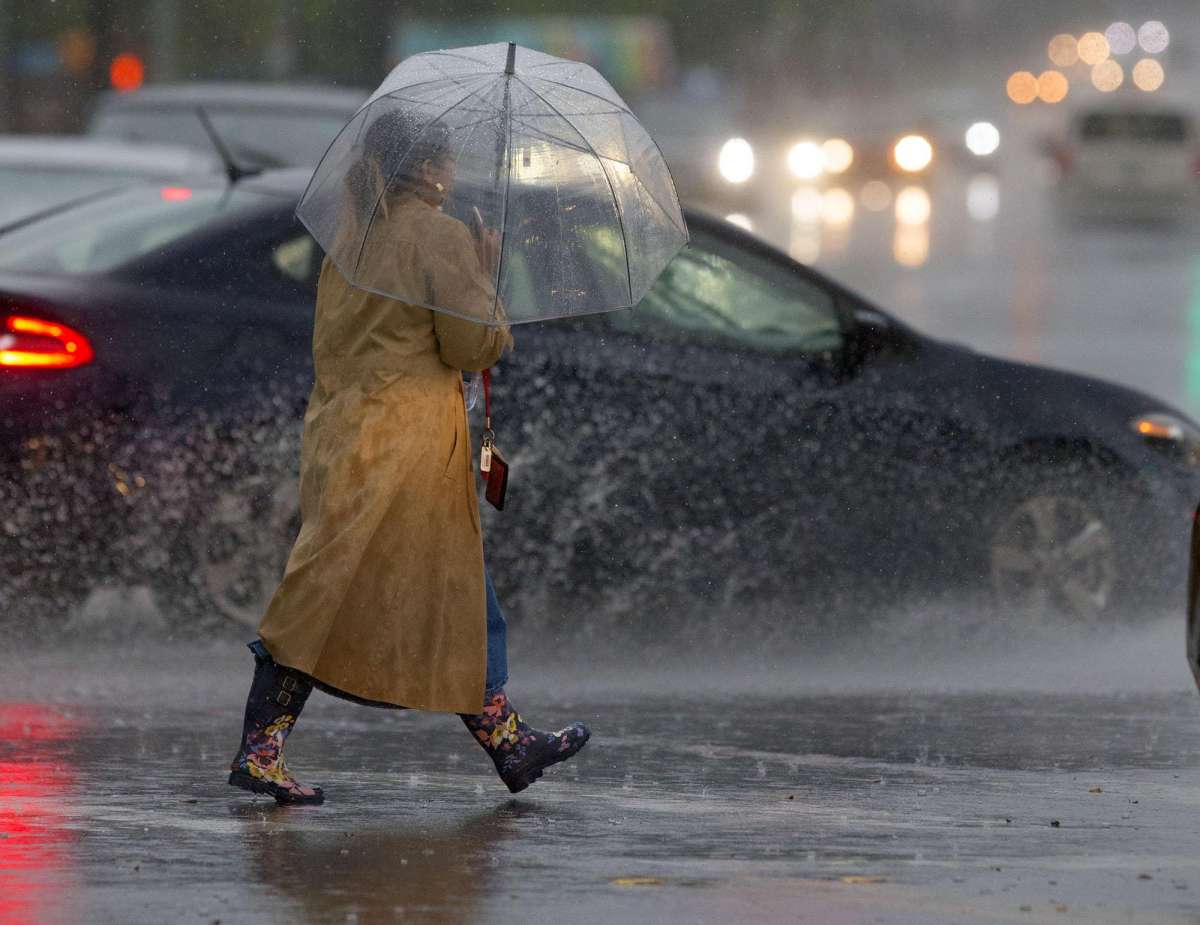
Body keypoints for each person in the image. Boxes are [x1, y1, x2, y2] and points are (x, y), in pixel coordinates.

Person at [227, 111, 590, 805]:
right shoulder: (439, 235)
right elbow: (471, 346)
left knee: (404, 591)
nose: (454, 176)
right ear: (430, 169)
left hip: (345, 435)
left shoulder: (351, 238)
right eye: (448, 163)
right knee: (344, 595)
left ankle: (508, 743)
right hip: (410, 446)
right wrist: (484, 277)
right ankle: (261, 748)